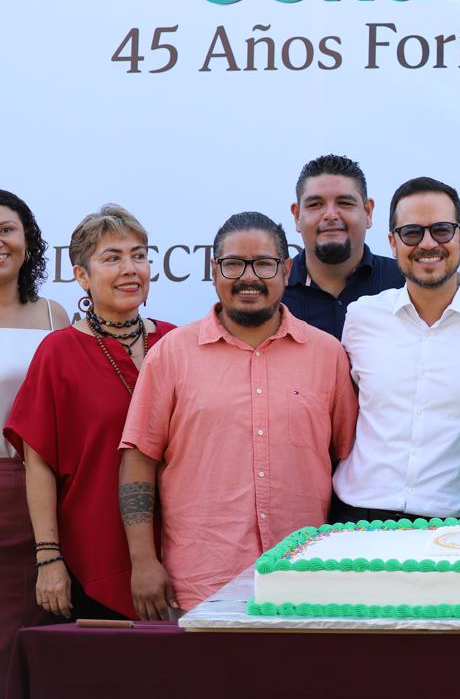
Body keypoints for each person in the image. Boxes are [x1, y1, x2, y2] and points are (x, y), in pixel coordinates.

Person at [118, 212, 357, 618]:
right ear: (214, 270)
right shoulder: (172, 354)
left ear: (286, 270)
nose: (249, 277)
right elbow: (139, 459)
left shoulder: (327, 355)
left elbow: (345, 459)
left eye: (263, 264)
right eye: (233, 264)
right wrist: (142, 562)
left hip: (303, 581)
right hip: (200, 583)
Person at [332, 177, 460, 524]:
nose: (428, 244)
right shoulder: (361, 318)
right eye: (411, 232)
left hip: (457, 528)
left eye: (442, 230)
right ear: (392, 243)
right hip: (357, 520)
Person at [4, 205, 174, 622]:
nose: (130, 268)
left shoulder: (176, 344)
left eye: (138, 255)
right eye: (112, 258)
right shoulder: (58, 352)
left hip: (177, 552)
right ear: (82, 275)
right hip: (91, 554)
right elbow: (39, 463)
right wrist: (48, 558)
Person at [0, 191, 69, 685]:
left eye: (6, 229)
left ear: (27, 241)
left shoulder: (53, 317)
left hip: (32, 497)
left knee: (23, 633)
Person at [283, 154, 403, 339]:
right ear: (297, 216)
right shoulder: (274, 293)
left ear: (368, 212)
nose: (330, 215)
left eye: (345, 203)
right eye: (315, 204)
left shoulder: (405, 286)